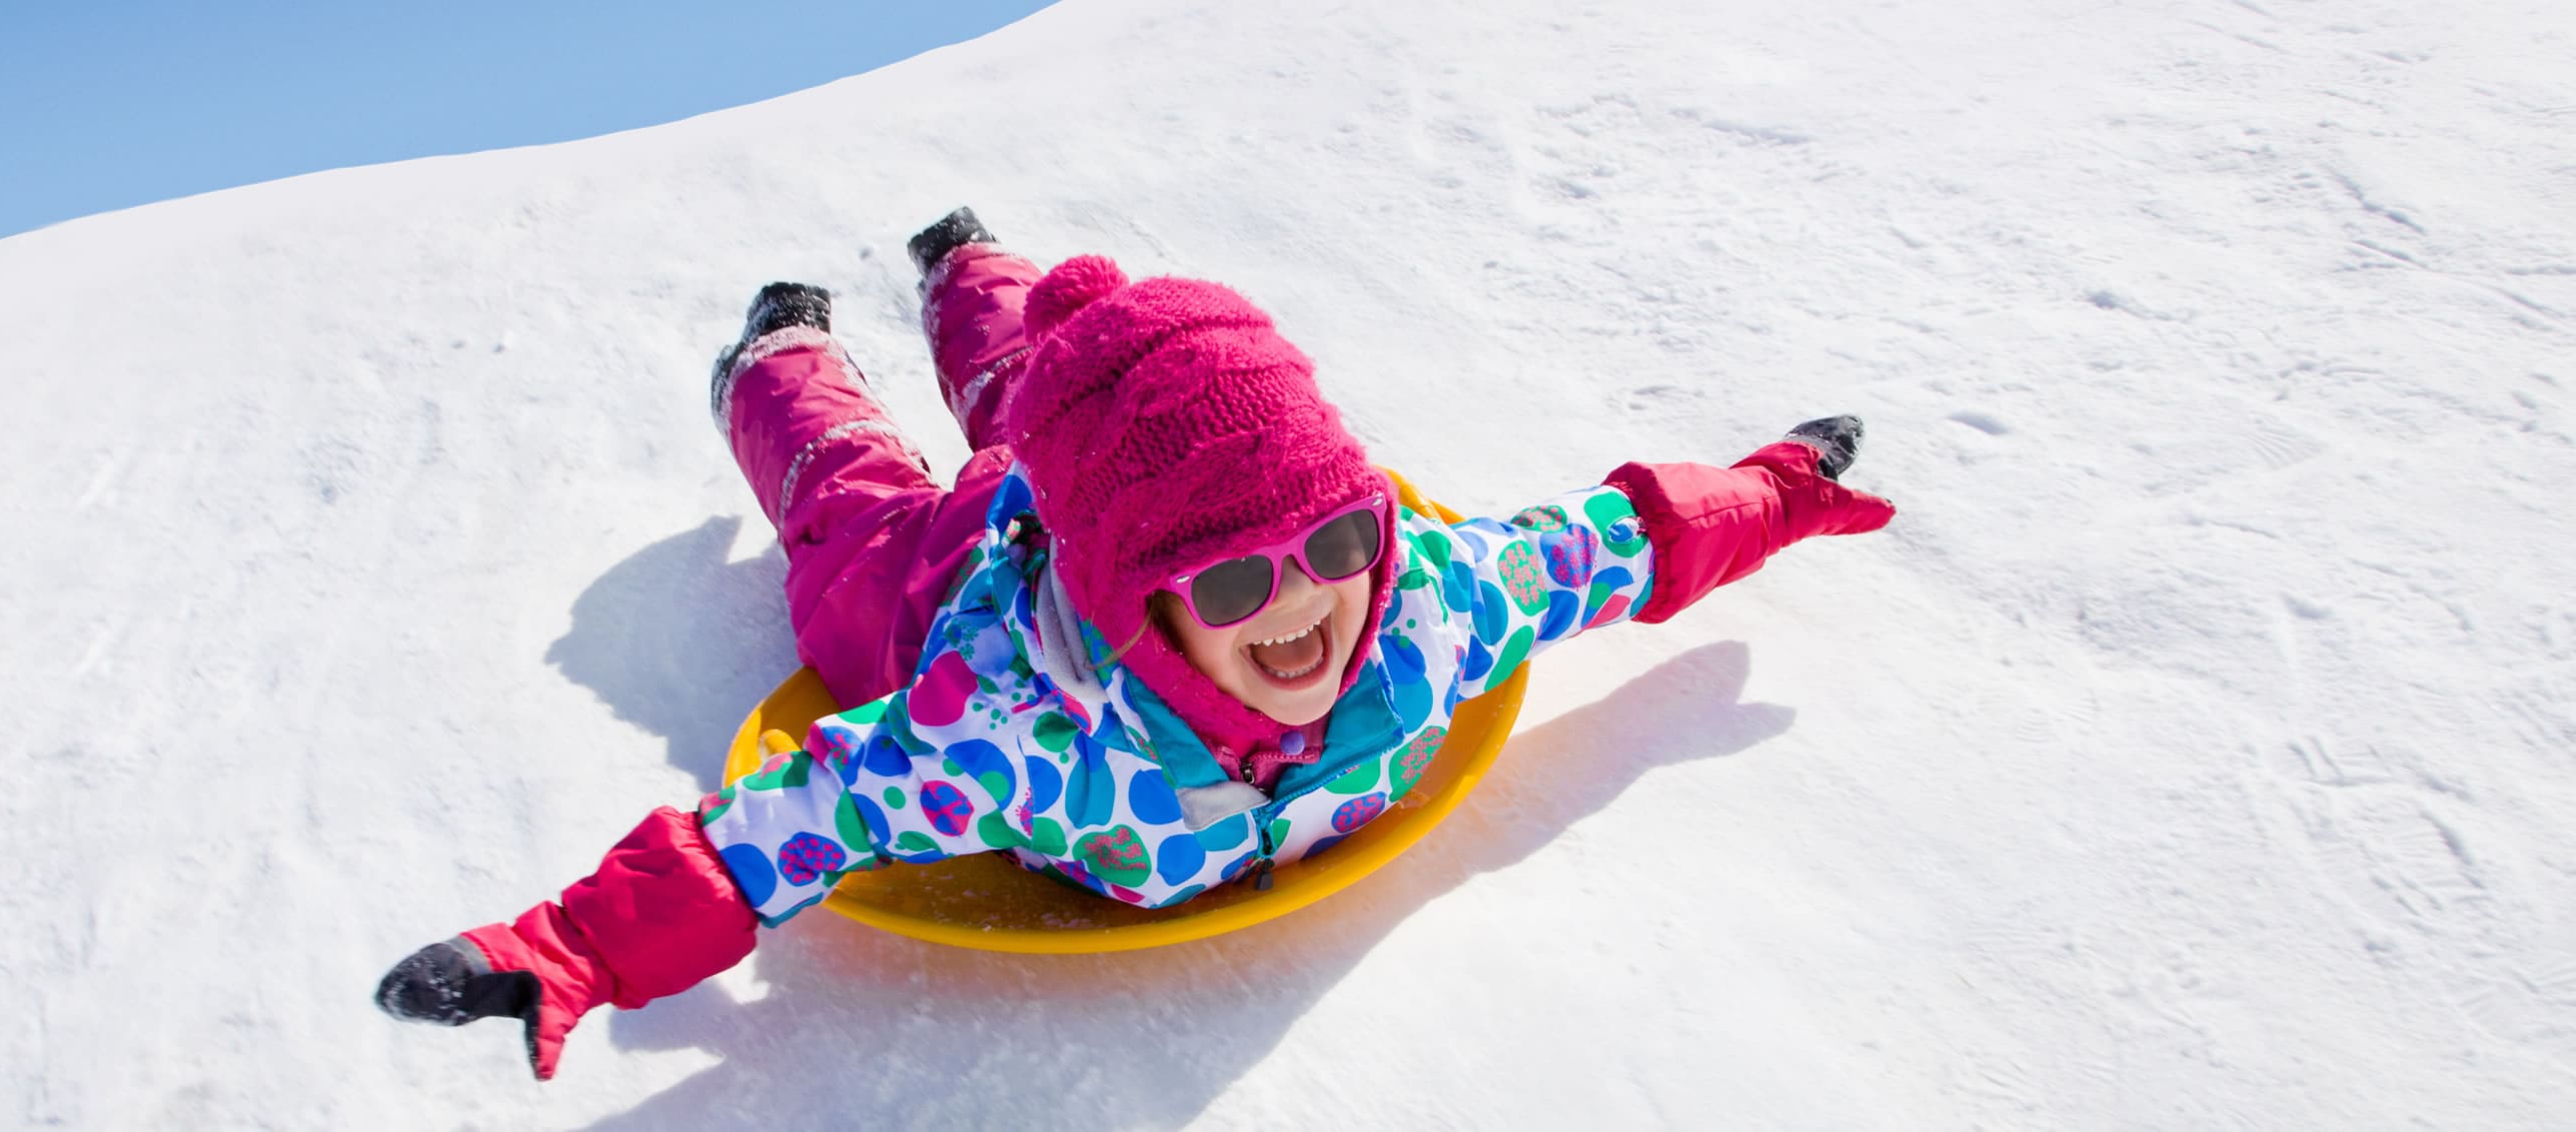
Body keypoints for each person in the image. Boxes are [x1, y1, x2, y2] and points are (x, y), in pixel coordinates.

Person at [374, 209, 1897, 1079]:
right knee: (852, 501)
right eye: (1234, 587)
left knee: (1053, 373)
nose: (1306, 607)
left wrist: (1778, 485)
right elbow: (794, 819)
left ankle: (968, 265)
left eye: (1337, 543)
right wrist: (573, 941)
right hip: (939, 581)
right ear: (1137, 604)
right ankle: (777, 353)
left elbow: (1611, 543)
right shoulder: (1017, 729)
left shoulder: (1423, 602)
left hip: (1092, 501)